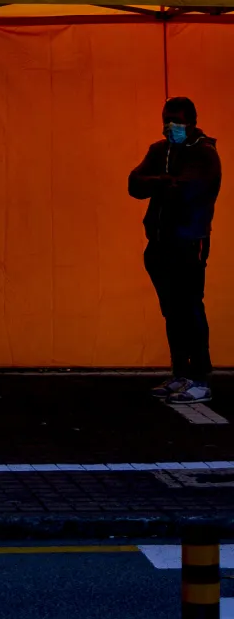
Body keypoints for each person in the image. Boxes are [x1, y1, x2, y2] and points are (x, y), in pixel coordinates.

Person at [129, 97, 221, 405]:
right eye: (167, 120)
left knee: (191, 308)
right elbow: (134, 184)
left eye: (177, 121)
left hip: (188, 242)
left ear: (192, 122)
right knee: (172, 311)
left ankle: (201, 378)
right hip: (159, 243)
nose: (171, 127)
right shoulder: (159, 150)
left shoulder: (205, 154)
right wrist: (162, 181)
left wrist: (161, 183)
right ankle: (181, 372)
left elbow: (187, 190)